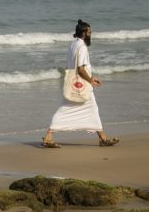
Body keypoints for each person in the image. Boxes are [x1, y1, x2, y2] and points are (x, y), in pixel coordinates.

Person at [42, 19, 119, 148]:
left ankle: (102, 138)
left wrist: (90, 77)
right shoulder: (82, 47)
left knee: (88, 109)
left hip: (74, 83)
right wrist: (90, 80)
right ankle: (48, 137)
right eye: (89, 32)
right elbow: (81, 69)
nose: (90, 35)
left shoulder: (73, 45)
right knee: (69, 110)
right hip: (82, 85)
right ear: (84, 33)